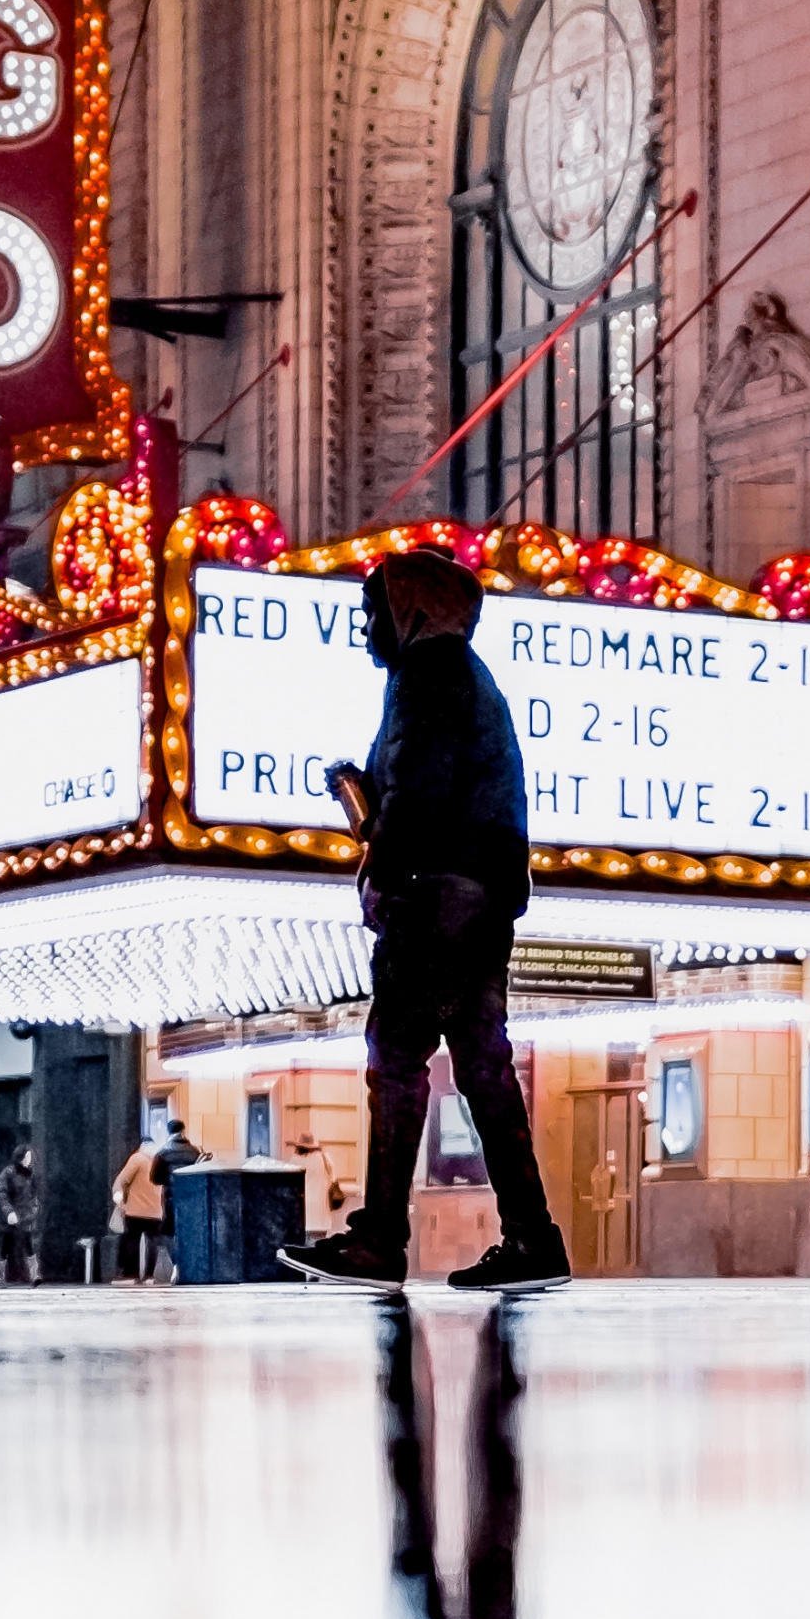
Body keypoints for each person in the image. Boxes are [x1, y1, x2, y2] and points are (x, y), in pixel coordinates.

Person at [288, 546, 570, 1291]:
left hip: (436, 898)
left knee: (396, 1056)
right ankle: (534, 1237)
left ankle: (379, 1239)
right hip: (479, 896)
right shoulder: (468, 678)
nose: (367, 631)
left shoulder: (427, 674)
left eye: (373, 613)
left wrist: (384, 866)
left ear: (407, 608)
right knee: (482, 1066)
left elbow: (418, 793)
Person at [113, 1120, 174, 1283]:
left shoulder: (137, 1158)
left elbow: (124, 1180)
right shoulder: (158, 1160)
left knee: (131, 1240)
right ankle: (150, 1275)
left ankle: (130, 1274)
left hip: (136, 1210)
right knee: (152, 1243)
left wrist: (121, 1196)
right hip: (155, 1211)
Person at [0, 1132, 41, 1284]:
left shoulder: (30, 1175)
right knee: (6, 1244)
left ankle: (34, 1275)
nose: (29, 1160)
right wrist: (9, 1212)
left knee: (29, 1244)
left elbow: (33, 1197)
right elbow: (1, 1193)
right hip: (9, 1217)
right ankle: (0, 1277)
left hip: (24, 1215)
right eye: (27, 1157)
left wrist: (33, 1212)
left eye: (30, 1157)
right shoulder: (9, 1172)